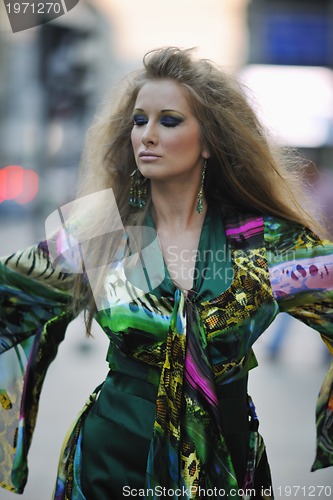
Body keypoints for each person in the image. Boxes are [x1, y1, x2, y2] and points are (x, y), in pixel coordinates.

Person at [1, 47, 333, 500]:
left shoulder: (260, 240)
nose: (147, 136)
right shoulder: (101, 230)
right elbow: (11, 300)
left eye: (169, 121)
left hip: (226, 467)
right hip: (108, 460)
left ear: (210, 141)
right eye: (139, 121)